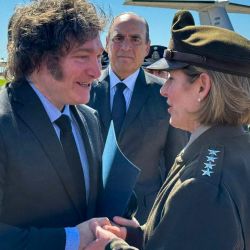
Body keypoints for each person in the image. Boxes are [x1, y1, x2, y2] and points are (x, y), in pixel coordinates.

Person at [86, 10, 250, 250]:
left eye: (172, 78)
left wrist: (112, 247)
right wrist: (137, 237)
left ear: (202, 87)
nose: (164, 90)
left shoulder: (202, 187)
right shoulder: (231, 151)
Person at [0, 0, 108, 249]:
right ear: (38, 58)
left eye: (99, 57)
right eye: (82, 56)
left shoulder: (89, 119)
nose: (96, 71)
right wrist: (72, 239)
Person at [88, 12, 188, 224]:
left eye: (135, 39)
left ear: (147, 47)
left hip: (144, 217)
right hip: (90, 215)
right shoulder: (82, 91)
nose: (126, 46)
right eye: (118, 38)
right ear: (107, 43)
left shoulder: (166, 95)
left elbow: (175, 162)